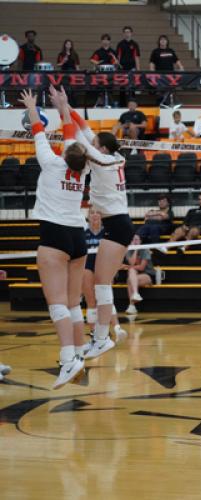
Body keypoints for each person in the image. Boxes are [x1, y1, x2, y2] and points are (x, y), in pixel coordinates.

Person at [19, 88, 88, 389]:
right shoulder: (82, 168)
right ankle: (81, 352)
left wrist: (32, 106)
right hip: (78, 235)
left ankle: (68, 358)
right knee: (73, 303)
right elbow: (69, 132)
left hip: (54, 235)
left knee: (57, 304)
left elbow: (38, 130)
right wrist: (63, 106)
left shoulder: (51, 161)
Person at [63, 89, 135, 361]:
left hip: (118, 225)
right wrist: (68, 108)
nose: (92, 144)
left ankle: (102, 339)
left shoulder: (103, 160)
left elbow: (84, 138)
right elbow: (88, 131)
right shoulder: (115, 157)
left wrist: (66, 110)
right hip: (117, 224)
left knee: (102, 285)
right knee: (102, 286)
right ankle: (102, 338)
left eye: (96, 143)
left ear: (102, 148)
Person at [82, 207, 127, 342]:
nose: (95, 215)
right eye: (92, 213)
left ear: (102, 216)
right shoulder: (82, 234)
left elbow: (119, 250)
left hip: (104, 266)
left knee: (105, 298)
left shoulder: (107, 233)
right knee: (91, 301)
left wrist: (117, 263)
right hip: (86, 266)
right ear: (88, 216)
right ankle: (94, 334)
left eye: (98, 213)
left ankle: (117, 328)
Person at [124, 234, 155, 315]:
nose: (135, 241)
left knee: (130, 277)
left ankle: (132, 305)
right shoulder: (129, 250)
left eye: (137, 239)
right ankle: (136, 294)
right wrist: (135, 250)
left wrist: (137, 249)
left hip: (148, 275)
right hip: (136, 276)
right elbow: (132, 263)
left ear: (140, 241)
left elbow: (141, 267)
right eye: (133, 240)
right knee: (131, 274)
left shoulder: (145, 249)